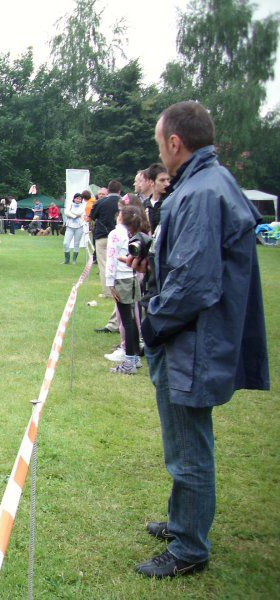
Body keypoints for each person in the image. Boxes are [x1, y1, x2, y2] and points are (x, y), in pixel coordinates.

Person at [130, 101, 269, 578]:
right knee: (183, 442)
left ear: (174, 143)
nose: (159, 153)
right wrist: (154, 258)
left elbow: (195, 282)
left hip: (192, 342)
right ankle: (181, 521)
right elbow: (193, 260)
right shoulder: (206, 183)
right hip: (191, 337)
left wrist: (153, 324)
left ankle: (189, 548)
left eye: (158, 143)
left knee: (188, 446)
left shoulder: (201, 192)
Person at [104, 205, 143, 374]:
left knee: (127, 321)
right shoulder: (135, 234)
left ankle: (129, 361)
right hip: (132, 278)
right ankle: (134, 358)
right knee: (132, 320)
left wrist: (109, 282)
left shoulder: (115, 234)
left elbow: (111, 258)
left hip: (121, 279)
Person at [90, 180, 122, 333]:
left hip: (102, 236)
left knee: (104, 264)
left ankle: (108, 291)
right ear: (120, 191)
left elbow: (92, 216)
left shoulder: (101, 202)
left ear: (108, 191)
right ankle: (115, 290)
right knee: (119, 264)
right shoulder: (123, 202)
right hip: (119, 237)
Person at [143, 162, 170, 234]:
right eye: (162, 180)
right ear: (151, 182)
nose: (167, 184)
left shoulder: (171, 202)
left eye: (168, 180)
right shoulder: (144, 206)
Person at [63, 193, 85, 264]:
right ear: (74, 198)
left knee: (76, 243)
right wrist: (74, 216)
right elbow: (66, 212)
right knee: (66, 243)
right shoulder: (70, 205)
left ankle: (74, 260)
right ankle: (67, 260)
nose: (78, 200)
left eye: (80, 199)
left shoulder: (83, 206)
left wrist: (71, 213)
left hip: (79, 226)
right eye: (77, 198)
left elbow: (80, 212)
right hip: (70, 226)